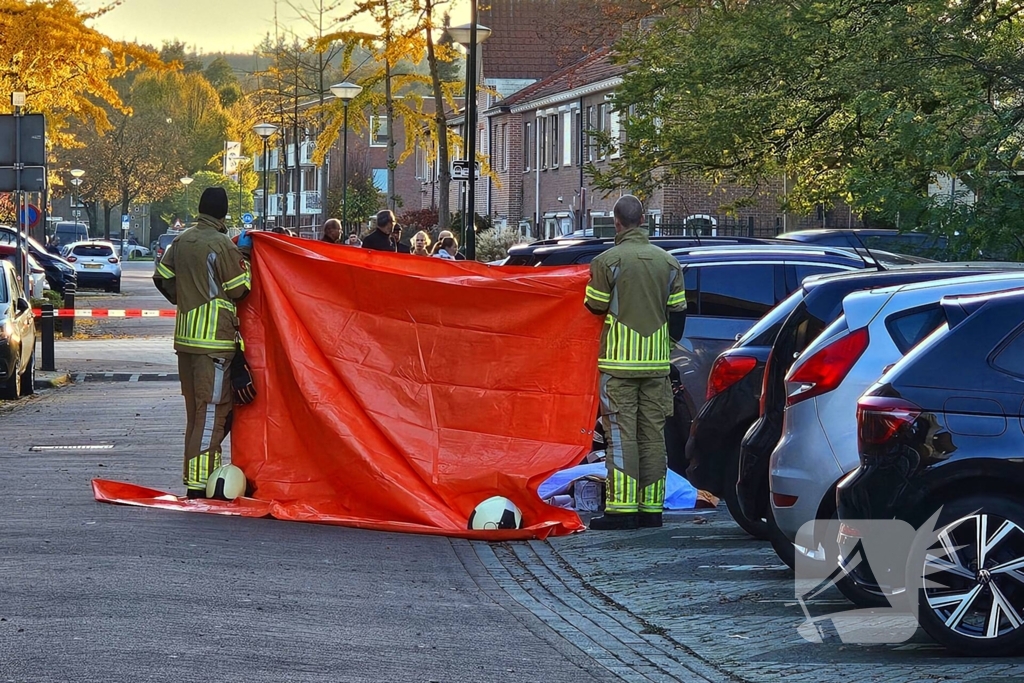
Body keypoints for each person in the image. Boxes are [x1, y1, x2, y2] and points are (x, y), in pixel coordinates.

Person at [583, 195, 687, 530]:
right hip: (656, 367)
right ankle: (651, 509)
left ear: (617, 222)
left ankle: (621, 510)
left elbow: (595, 307)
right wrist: (663, 346)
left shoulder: (607, 261)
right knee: (654, 437)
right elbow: (679, 316)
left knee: (621, 435)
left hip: (618, 367)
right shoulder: (669, 264)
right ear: (644, 220)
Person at [153, 187, 252, 499]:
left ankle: (195, 476)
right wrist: (246, 260)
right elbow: (240, 289)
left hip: (186, 342)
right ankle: (199, 485)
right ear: (223, 213)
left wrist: (184, 298)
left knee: (195, 414)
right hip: (214, 344)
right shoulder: (220, 243)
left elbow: (162, 277)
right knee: (212, 414)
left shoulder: (181, 240)